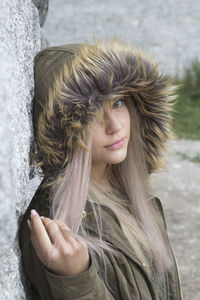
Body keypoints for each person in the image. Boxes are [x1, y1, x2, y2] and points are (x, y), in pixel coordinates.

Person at [19, 36, 183, 299]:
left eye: (117, 103)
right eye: (92, 114)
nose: (114, 126)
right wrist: (75, 280)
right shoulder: (56, 226)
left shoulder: (128, 192)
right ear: (63, 134)